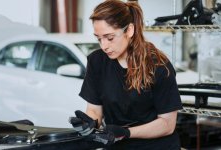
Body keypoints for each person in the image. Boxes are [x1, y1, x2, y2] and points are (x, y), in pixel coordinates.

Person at [69, 0, 183, 149]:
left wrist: (126, 132)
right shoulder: (97, 61)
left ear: (129, 30)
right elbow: (94, 109)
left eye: (110, 38)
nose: (104, 46)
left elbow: (167, 124)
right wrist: (89, 124)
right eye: (99, 38)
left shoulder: (159, 66)